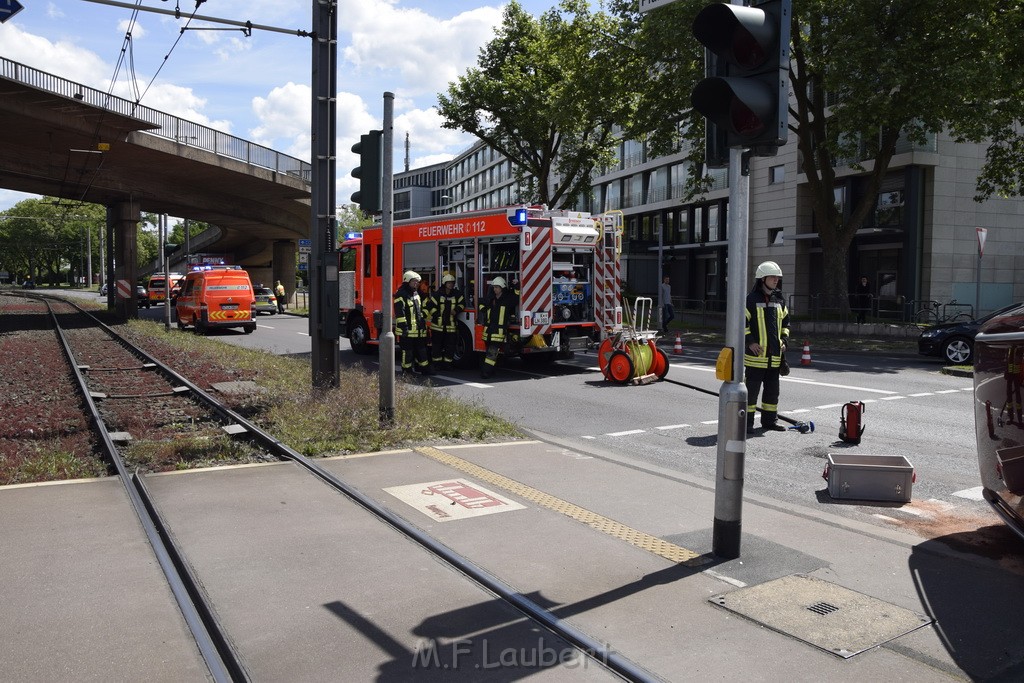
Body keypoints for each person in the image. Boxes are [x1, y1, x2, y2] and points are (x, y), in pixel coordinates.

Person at [744, 261, 791, 433]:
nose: (776, 280)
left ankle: (769, 422)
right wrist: (750, 342)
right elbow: (742, 323)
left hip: (774, 357)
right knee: (751, 394)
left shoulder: (779, 299)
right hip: (756, 357)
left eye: (777, 277)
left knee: (772, 393)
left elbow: (786, 323)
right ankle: (746, 424)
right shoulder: (751, 299)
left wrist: (784, 341)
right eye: (772, 277)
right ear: (762, 279)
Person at [394, 270, 432, 375]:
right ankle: (407, 371)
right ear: (407, 281)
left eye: (417, 282)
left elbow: (420, 309)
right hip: (407, 330)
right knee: (408, 352)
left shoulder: (416, 293)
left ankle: (424, 369)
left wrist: (423, 319)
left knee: (422, 350)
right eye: (414, 281)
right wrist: (404, 328)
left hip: (418, 330)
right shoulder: (401, 295)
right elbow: (400, 313)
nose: (416, 283)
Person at [479, 276, 516, 379]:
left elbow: (517, 296)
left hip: (498, 332)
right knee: (489, 353)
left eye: (497, 287)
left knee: (491, 353)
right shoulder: (491, 299)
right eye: (494, 287)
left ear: (502, 288)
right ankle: (492, 370)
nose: (495, 289)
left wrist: (516, 285)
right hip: (488, 332)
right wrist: (483, 310)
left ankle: (485, 373)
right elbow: (480, 302)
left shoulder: (507, 299)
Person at [426, 273, 465, 368]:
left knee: (450, 346)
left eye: (452, 283)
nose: (451, 285)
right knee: (437, 346)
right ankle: (437, 364)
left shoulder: (457, 294)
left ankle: (448, 364)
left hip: (451, 326)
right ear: (444, 283)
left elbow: (462, 304)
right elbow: (430, 306)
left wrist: (456, 310)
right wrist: (438, 314)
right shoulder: (438, 294)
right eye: (449, 283)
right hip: (438, 325)